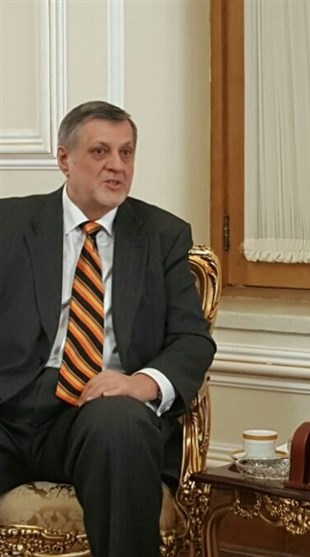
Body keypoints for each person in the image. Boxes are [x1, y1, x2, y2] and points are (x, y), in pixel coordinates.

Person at [0, 101, 216, 556]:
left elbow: (191, 338)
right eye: (100, 151)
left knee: (121, 425)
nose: (117, 165)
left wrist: (140, 384)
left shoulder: (162, 235)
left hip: (99, 406)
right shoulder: (9, 225)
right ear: (65, 159)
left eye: (126, 152)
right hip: (10, 405)